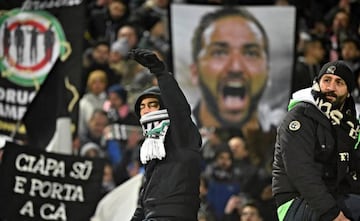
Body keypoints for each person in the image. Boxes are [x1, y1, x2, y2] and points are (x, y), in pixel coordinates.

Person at [190, 6, 277, 174]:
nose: (236, 67)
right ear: (195, 72)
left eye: (251, 53)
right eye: (219, 52)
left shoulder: (280, 130)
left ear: (268, 73)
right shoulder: (182, 131)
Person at [272, 60, 360, 221]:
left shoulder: (349, 125)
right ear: (317, 83)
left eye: (339, 82)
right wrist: (333, 214)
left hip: (333, 196)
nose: (330, 87)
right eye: (326, 80)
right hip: (297, 202)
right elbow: (301, 171)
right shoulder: (300, 116)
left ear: (348, 92)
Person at [128, 48, 202, 221]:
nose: (146, 111)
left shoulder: (182, 134)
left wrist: (161, 73)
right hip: (152, 215)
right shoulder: (152, 145)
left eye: (152, 104)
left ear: (164, 106)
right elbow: (148, 189)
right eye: (142, 107)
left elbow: (179, 109)